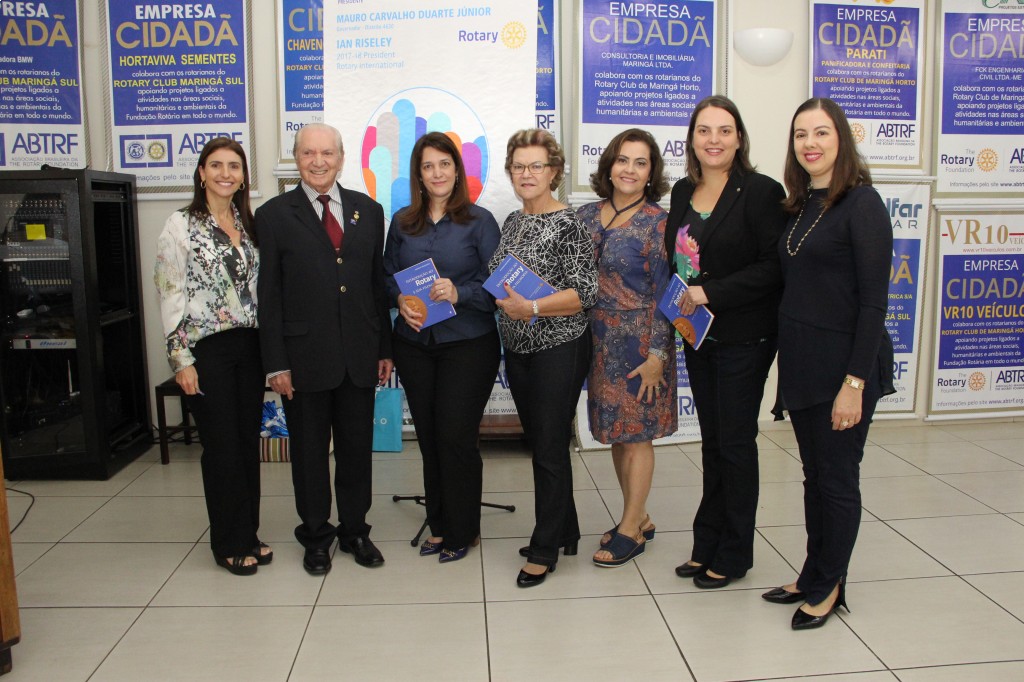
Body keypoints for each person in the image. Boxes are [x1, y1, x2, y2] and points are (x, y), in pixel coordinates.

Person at [762, 98, 894, 629]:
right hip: (803, 365)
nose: (810, 143)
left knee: (837, 480)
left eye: (821, 132)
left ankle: (831, 585)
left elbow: (874, 304)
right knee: (814, 477)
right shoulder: (801, 205)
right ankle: (813, 572)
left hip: (845, 369)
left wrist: (854, 383)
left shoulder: (863, 204)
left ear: (841, 138)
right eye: (801, 134)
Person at [256, 123, 393, 575]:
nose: (318, 162)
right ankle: (316, 536)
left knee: (356, 452)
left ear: (341, 157)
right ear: (296, 158)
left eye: (327, 153)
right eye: (308, 153)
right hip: (302, 360)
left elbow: (376, 287)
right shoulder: (273, 215)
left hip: (359, 355)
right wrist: (275, 363)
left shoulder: (368, 211)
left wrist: (384, 348)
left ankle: (355, 531)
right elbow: (268, 297)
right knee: (310, 455)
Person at [666, 95, 788, 589]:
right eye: (704, 130)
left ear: (739, 139)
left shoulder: (761, 192)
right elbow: (679, 259)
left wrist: (708, 292)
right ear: (692, 139)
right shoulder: (682, 190)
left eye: (724, 130)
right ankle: (706, 544)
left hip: (745, 336)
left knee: (735, 443)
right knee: (713, 442)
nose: (713, 139)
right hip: (698, 336)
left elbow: (772, 267)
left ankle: (734, 553)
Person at [154, 137, 270, 576]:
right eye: (216, 165)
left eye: (234, 166)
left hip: (249, 347)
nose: (225, 173)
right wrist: (181, 361)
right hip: (207, 350)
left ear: (243, 176)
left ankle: (248, 533)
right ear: (202, 173)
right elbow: (169, 294)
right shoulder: (180, 225)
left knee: (245, 445)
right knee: (221, 447)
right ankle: (227, 542)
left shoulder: (249, 224)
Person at [384, 132, 502, 563]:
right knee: (430, 438)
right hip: (415, 344)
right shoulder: (402, 222)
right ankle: (439, 525)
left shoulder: (480, 222)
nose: (437, 173)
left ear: (457, 169)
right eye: (428, 166)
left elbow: (498, 287)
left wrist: (460, 292)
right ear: (418, 174)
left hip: (467, 344)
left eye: (444, 164)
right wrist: (399, 298)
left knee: (456, 437)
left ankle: (463, 529)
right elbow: (385, 276)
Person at [489, 129, 598, 587]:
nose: (526, 174)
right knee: (540, 441)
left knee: (550, 446)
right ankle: (565, 529)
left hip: (560, 346)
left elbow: (585, 292)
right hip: (518, 348)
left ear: (554, 172)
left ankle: (544, 546)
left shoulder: (569, 223)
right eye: (518, 166)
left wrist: (531, 307)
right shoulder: (513, 221)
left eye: (536, 166)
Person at [577, 128, 677, 568]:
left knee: (637, 439)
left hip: (641, 348)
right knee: (617, 437)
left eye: (640, 162)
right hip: (598, 343)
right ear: (609, 165)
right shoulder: (585, 216)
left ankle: (631, 528)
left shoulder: (659, 222)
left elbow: (668, 294)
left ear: (651, 172)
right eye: (622, 160)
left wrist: (658, 356)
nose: (630, 170)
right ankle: (639, 515)